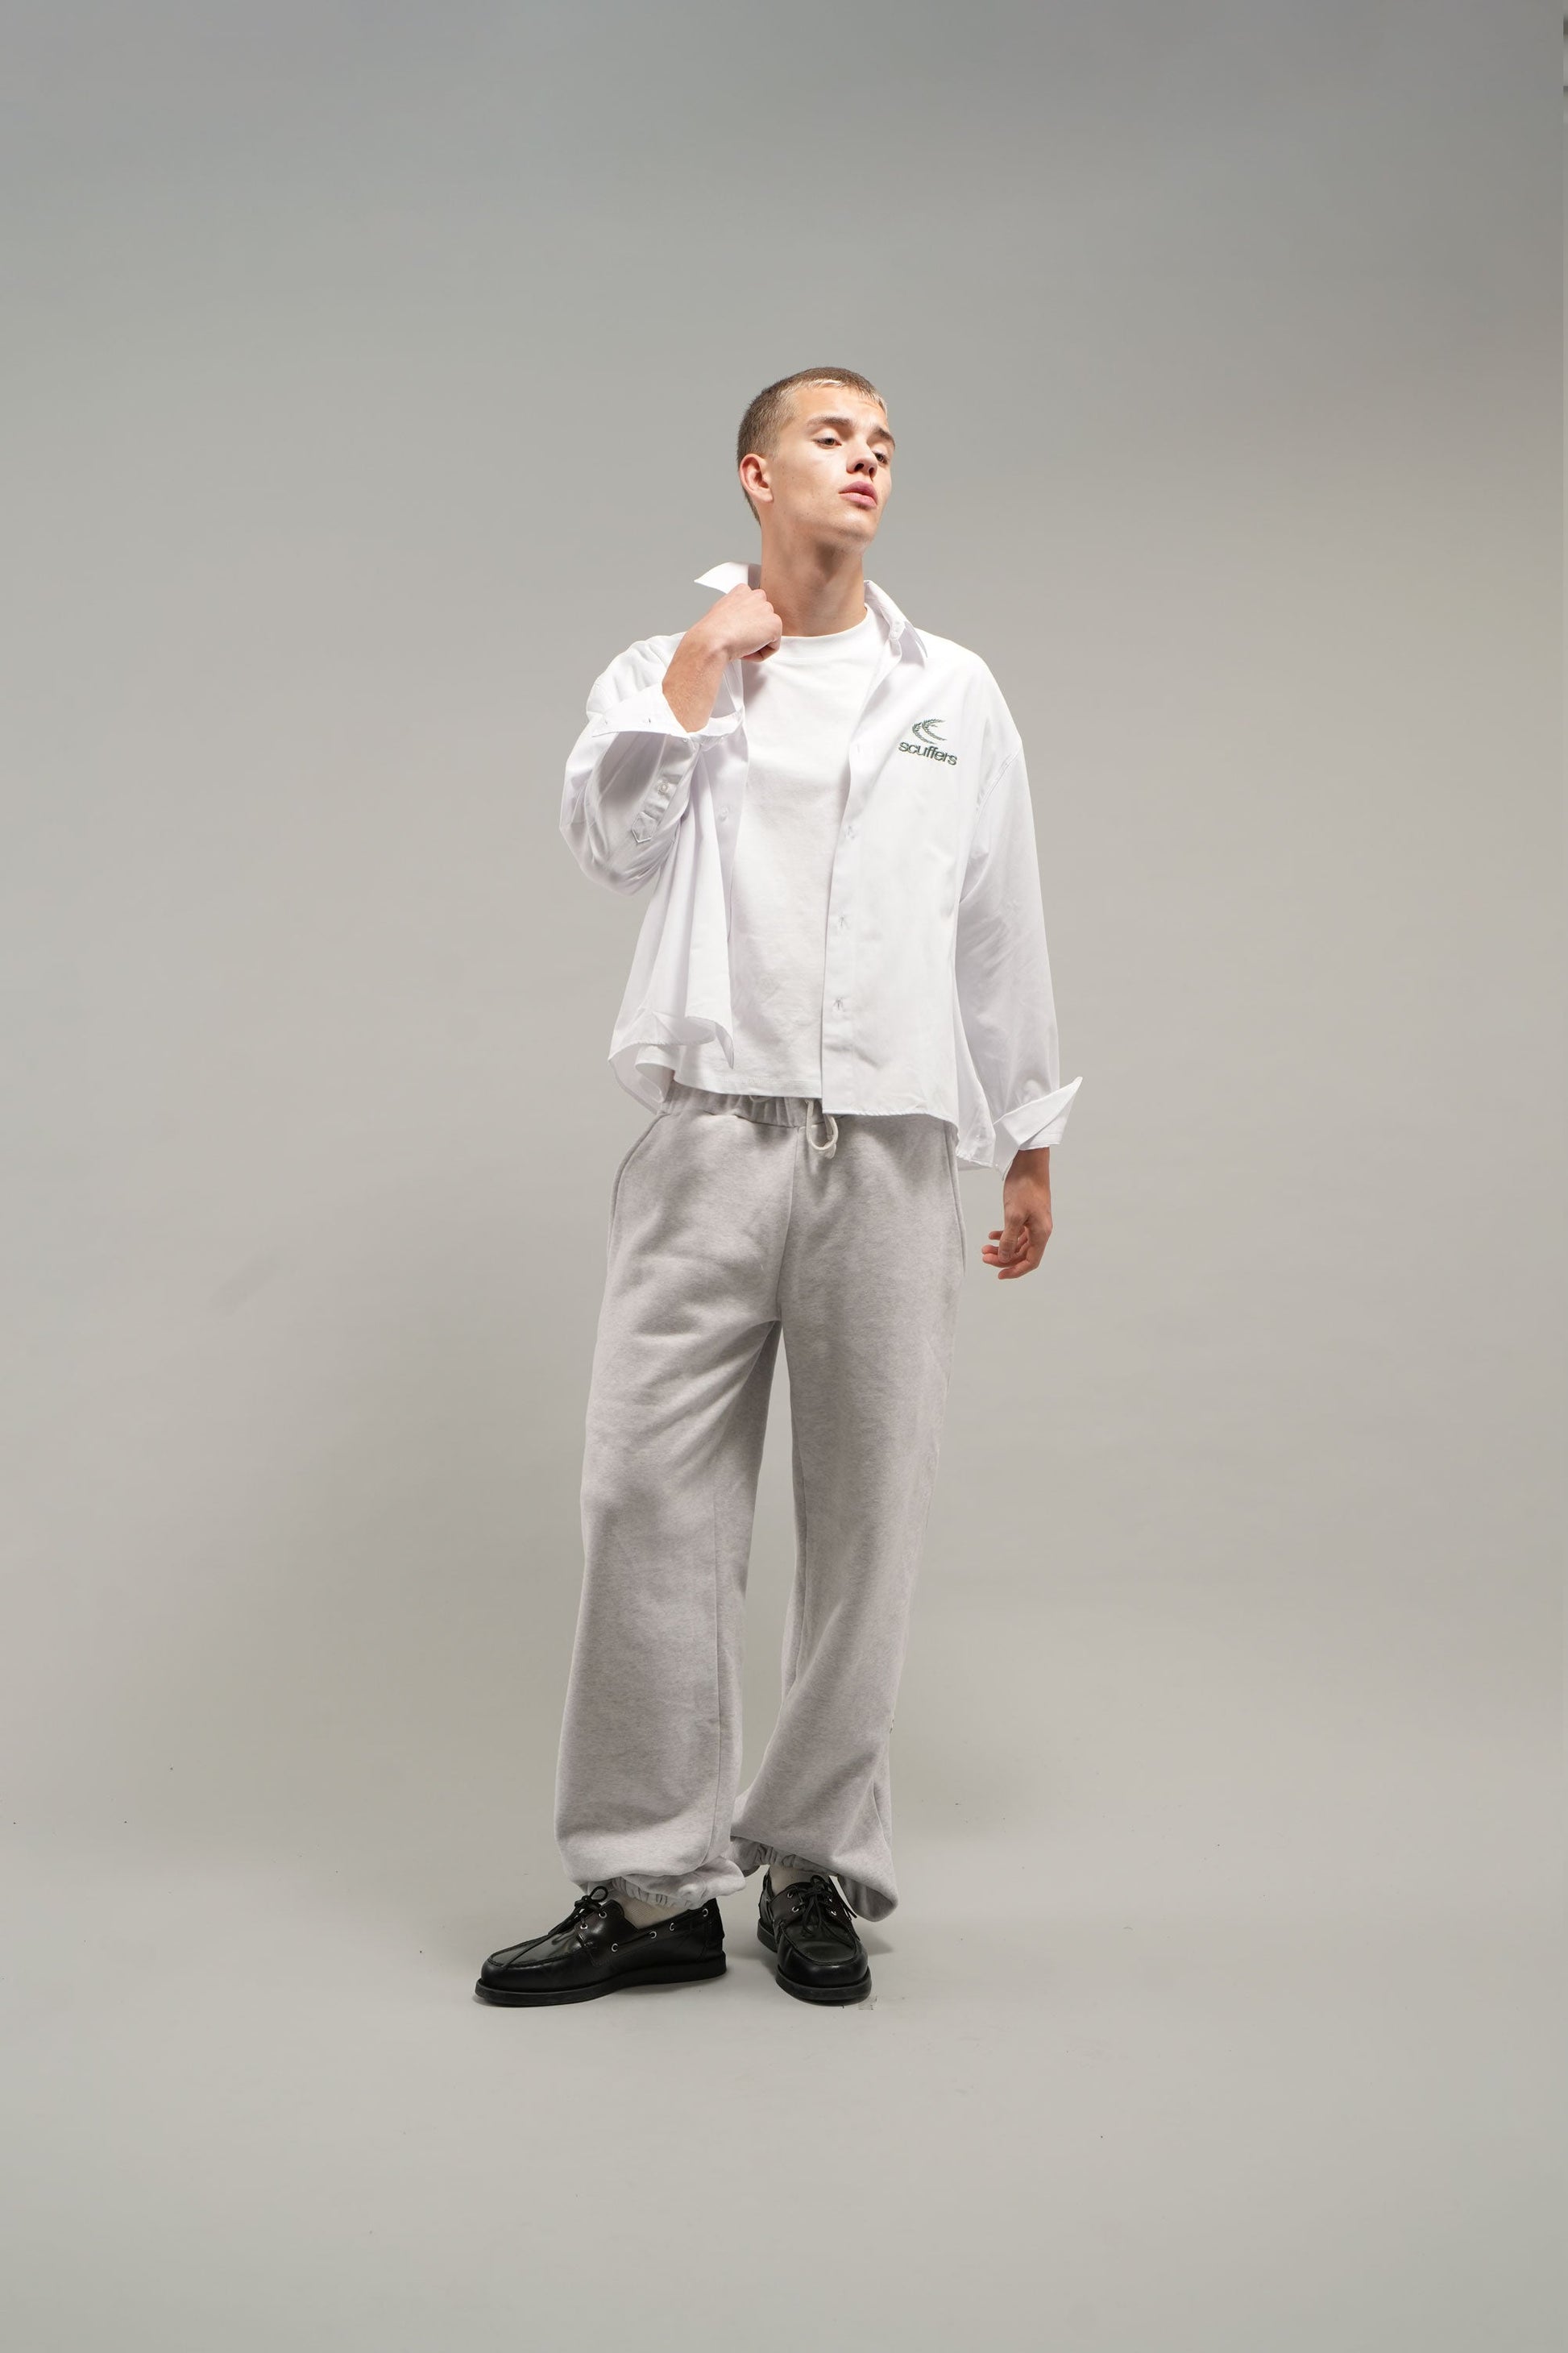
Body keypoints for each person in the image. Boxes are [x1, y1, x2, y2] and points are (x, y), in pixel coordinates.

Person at [476, 367, 1081, 2009]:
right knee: (644, 1499)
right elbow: (609, 842)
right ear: (756, 473)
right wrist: (695, 672)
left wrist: (1027, 1132)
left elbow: (996, 916)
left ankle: (813, 1864)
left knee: (868, 1514)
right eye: (831, 435)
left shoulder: (950, 687)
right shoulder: (663, 668)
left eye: (882, 443)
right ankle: (645, 1886)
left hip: (889, 1146)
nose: (865, 458)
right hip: (708, 1139)